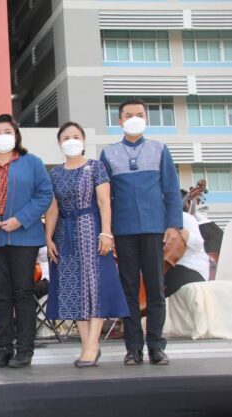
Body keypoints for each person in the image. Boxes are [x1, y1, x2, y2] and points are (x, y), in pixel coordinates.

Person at [100, 98, 183, 366]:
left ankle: (156, 347)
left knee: (156, 290)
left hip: (154, 228)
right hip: (123, 231)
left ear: (146, 119)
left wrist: (173, 224)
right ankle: (133, 348)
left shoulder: (159, 149)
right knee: (129, 291)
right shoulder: (108, 153)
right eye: (129, 115)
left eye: (139, 114)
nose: (134, 119)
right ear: (120, 121)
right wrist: (107, 231)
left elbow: (171, 190)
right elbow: (104, 197)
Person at [0, 113, 53, 369]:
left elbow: (45, 194)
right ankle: (3, 348)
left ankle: (25, 349)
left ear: (16, 135)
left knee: (23, 292)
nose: (2, 136)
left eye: (7, 131)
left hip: (24, 237)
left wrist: (21, 218)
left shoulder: (32, 162)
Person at [45, 122, 129, 368]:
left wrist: (106, 233)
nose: (71, 141)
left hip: (91, 230)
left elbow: (104, 202)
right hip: (65, 234)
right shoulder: (55, 174)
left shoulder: (95, 167)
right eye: (66, 137)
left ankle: (93, 345)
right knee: (73, 289)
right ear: (59, 143)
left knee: (95, 285)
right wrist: (48, 238)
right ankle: (86, 345)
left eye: (76, 136)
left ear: (83, 140)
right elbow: (53, 208)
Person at [164, 193, 209, 297]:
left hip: (189, 269)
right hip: (170, 270)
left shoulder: (185, 217)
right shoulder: (159, 222)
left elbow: (198, 244)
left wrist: (181, 230)